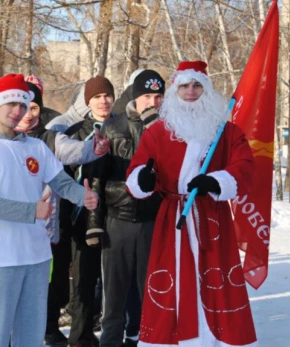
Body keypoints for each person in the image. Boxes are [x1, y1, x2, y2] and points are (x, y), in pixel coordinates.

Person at [0, 73, 99, 347]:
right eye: (11, 103)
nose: (18, 111)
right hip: (0, 258)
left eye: (23, 105)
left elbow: (61, 183)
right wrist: (30, 211)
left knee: (31, 336)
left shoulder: (36, 146)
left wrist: (84, 196)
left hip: (36, 256)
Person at [125, 61, 258, 346]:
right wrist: (143, 180)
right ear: (175, 90)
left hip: (213, 218)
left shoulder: (227, 131)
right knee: (172, 282)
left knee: (217, 281)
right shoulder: (157, 132)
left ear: (206, 90)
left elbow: (245, 166)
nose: (190, 91)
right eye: (184, 85)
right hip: (173, 219)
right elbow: (136, 172)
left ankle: (216, 340)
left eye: (197, 85)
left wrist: (217, 181)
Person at [89, 70, 166, 347]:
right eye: (147, 96)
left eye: (158, 97)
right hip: (117, 221)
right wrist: (93, 223)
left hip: (152, 222)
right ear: (135, 97)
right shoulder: (113, 127)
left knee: (150, 291)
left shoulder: (168, 129)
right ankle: (110, 341)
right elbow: (96, 180)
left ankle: (143, 339)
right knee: (114, 292)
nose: (153, 103)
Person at [61, 75, 115, 347]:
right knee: (84, 277)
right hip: (83, 215)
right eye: (97, 97)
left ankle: (117, 332)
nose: (103, 101)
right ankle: (80, 336)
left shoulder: (123, 126)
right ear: (88, 102)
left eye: (107, 96)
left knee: (115, 278)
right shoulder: (75, 131)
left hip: (118, 213)